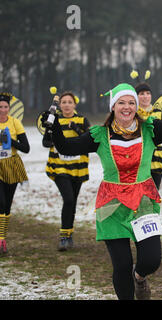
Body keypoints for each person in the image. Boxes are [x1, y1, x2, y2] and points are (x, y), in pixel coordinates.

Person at [42, 82, 162, 300]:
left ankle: (139, 277)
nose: (127, 107)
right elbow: (66, 147)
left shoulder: (150, 129)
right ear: (113, 107)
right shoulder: (100, 135)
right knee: (122, 266)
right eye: (121, 102)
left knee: (151, 260)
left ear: (136, 106)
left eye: (131, 102)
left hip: (144, 202)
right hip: (112, 206)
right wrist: (54, 129)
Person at [42, 91, 90, 251]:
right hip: (59, 165)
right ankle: (63, 237)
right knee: (68, 199)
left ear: (74, 104)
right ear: (59, 105)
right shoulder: (54, 119)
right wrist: (49, 129)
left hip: (77, 167)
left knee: (73, 201)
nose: (67, 105)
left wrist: (76, 128)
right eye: (64, 102)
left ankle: (69, 234)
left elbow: (90, 140)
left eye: (70, 102)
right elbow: (45, 143)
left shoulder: (82, 120)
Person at [0, 92, 30, 254]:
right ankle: (0, 239)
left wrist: (9, 141)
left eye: (5, 107)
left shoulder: (15, 122)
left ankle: (2, 239)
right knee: (1, 203)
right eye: (0, 107)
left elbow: (26, 148)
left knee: (7, 206)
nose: (3, 110)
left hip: (11, 166)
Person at [135, 80, 162, 189]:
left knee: (154, 194)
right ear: (136, 96)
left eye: (148, 93)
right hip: (138, 158)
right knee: (139, 195)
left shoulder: (159, 113)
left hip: (156, 159)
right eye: (142, 94)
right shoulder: (132, 113)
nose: (145, 96)